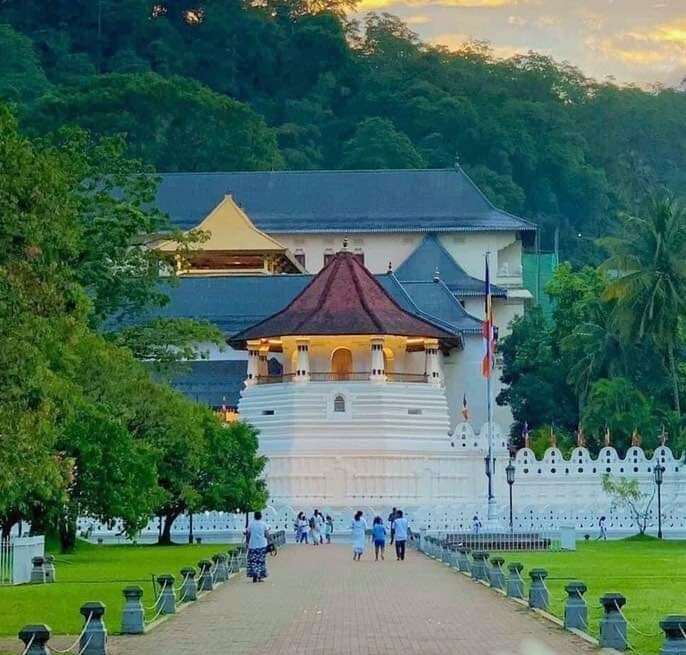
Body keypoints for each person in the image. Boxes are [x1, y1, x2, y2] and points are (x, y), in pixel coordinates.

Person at [246, 511, 270, 583]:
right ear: (261, 516)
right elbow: (266, 534)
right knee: (261, 561)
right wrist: (270, 540)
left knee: (253, 561)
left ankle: (254, 575)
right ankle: (259, 576)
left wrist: (247, 543)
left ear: (254, 516)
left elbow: (248, 535)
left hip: (252, 545)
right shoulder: (263, 524)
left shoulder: (251, 524)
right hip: (262, 545)